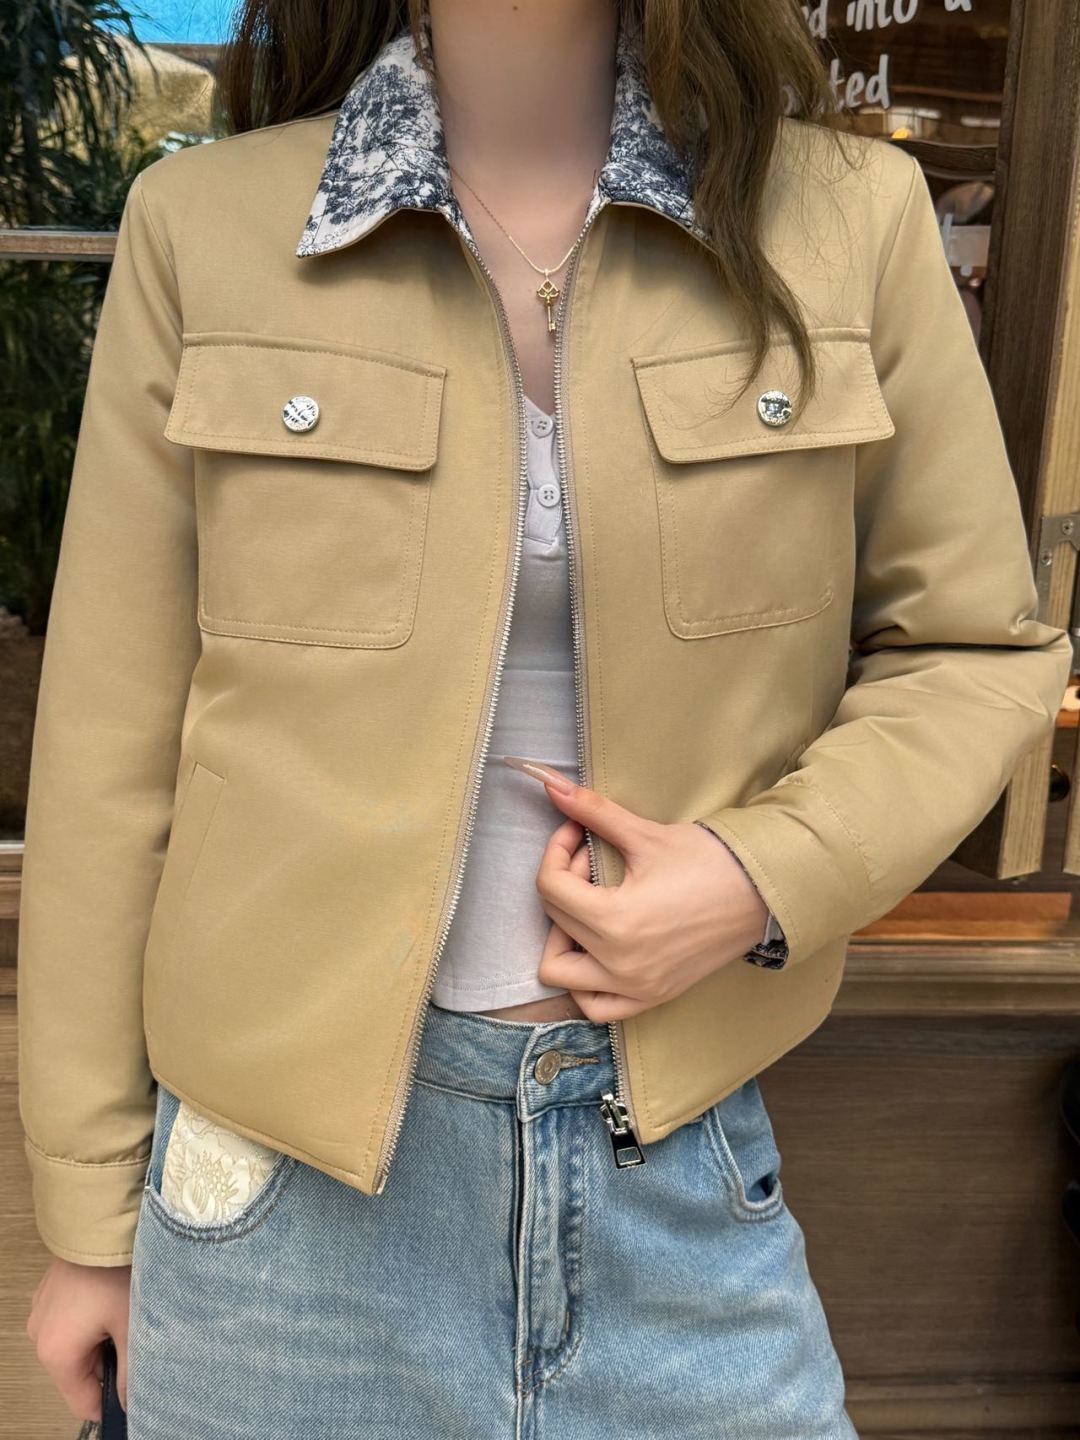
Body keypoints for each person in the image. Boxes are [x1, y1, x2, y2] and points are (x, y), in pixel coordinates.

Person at [19, 0, 1072, 1436]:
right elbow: (110, 757)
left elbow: (973, 649)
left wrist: (763, 874)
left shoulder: (848, 222)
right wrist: (88, 1221)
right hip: (272, 1210)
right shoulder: (204, 227)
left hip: (674, 1170)